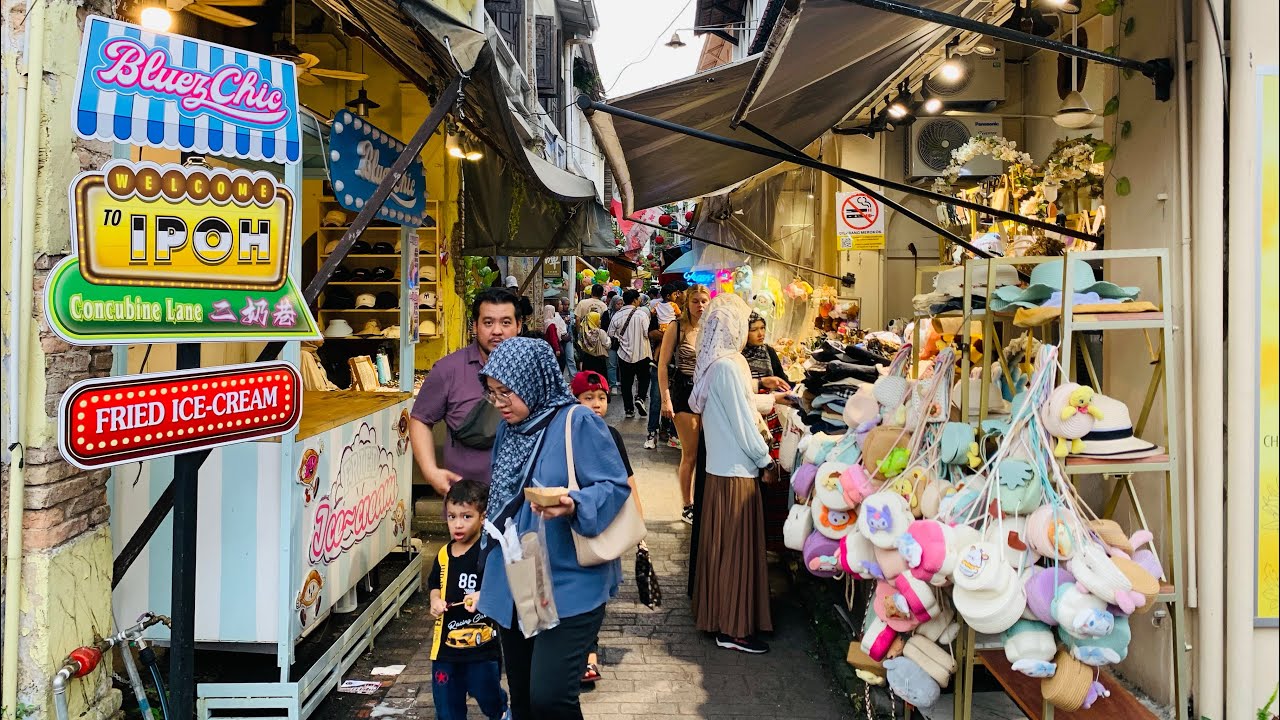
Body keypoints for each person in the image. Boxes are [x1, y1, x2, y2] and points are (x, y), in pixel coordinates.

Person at [476, 338, 632, 720]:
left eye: (506, 392)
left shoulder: (577, 422)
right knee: (526, 701)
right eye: (492, 393)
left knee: (550, 698)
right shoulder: (509, 430)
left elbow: (615, 486)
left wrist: (574, 504)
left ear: (533, 381)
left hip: (569, 582)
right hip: (520, 579)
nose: (499, 403)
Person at [688, 294, 784, 655]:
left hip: (722, 472)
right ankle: (733, 628)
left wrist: (772, 399)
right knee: (737, 554)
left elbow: (739, 406)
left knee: (724, 551)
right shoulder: (728, 366)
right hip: (735, 474)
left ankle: (721, 619)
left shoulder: (720, 365)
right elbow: (744, 423)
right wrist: (765, 460)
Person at [570, 370, 644, 685]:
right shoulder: (567, 433)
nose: (597, 404)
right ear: (574, 402)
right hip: (574, 522)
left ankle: (589, 656)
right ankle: (576, 653)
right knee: (577, 589)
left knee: (598, 591)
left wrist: (639, 520)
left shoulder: (611, 435)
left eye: (601, 398)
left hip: (606, 524)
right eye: (589, 399)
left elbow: (627, 479)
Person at [410, 287, 522, 491]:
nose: (497, 331)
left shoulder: (533, 371)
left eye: (506, 322)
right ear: (475, 326)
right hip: (466, 505)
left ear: (519, 326)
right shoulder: (447, 370)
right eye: (488, 322)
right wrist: (430, 471)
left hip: (522, 500)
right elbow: (420, 419)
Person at [428, 480, 508, 720]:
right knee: (447, 709)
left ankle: (503, 712)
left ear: (483, 517)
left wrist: (485, 596)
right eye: (452, 517)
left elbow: (505, 586)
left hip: (482, 650)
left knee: (488, 697)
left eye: (466, 516)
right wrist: (435, 601)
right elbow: (434, 585)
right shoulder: (443, 554)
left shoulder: (491, 552)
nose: (458, 524)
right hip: (444, 651)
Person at [657, 283, 710, 524]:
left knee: (707, 453)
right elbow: (662, 365)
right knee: (691, 453)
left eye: (704, 301)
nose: (700, 305)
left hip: (709, 393)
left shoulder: (711, 327)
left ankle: (702, 501)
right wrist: (665, 398)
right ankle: (687, 504)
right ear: (687, 304)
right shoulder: (676, 328)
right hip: (684, 391)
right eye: (696, 301)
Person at [644, 281, 686, 450]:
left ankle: (669, 432)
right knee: (656, 398)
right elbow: (651, 333)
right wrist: (670, 336)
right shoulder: (662, 313)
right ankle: (651, 432)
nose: (682, 296)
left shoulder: (685, 316)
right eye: (682, 292)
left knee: (674, 399)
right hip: (659, 363)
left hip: (679, 365)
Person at [607, 289, 652, 419]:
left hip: (624, 354)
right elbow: (646, 333)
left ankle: (629, 409)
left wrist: (620, 337)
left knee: (626, 383)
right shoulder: (642, 314)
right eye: (638, 299)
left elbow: (610, 333)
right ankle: (641, 398)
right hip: (642, 353)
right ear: (634, 300)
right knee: (644, 378)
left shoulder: (617, 315)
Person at [576, 311, 611, 378]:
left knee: (588, 380)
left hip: (587, 359)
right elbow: (607, 345)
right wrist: (609, 339)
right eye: (598, 319)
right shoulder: (600, 332)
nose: (600, 321)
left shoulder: (584, 332)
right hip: (599, 360)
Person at [601, 295, 625, 391]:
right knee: (612, 364)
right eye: (617, 304)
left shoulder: (624, 314)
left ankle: (622, 383)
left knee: (622, 365)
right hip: (611, 342)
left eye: (621, 304)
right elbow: (604, 328)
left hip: (622, 342)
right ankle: (613, 385)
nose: (619, 306)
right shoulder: (607, 314)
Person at [543, 304, 568, 371]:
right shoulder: (551, 324)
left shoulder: (545, 322)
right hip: (553, 347)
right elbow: (553, 337)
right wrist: (557, 349)